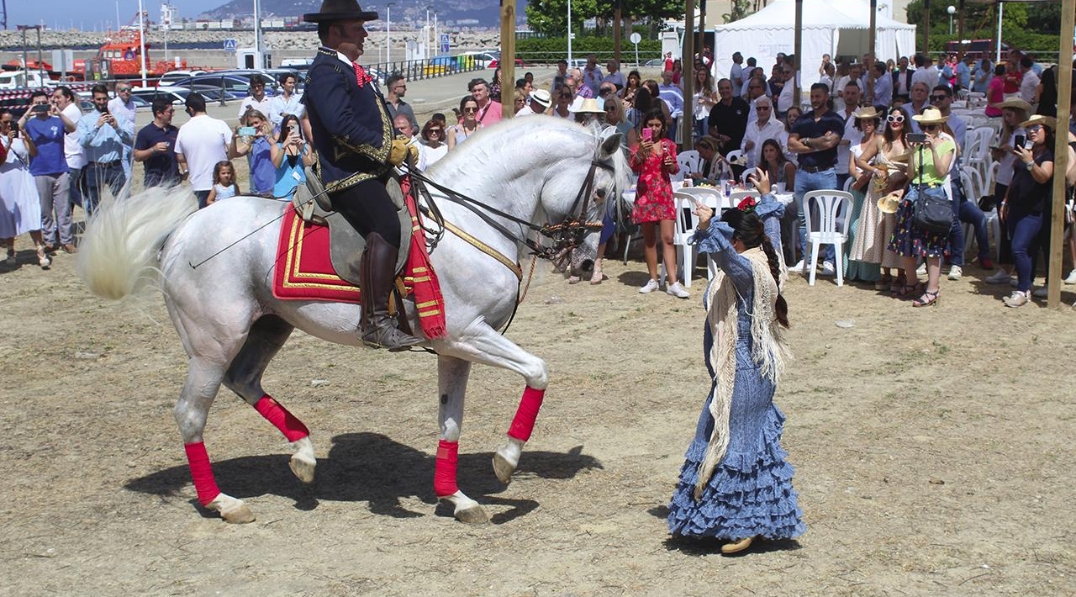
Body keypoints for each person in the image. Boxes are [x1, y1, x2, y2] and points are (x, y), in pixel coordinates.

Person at [666, 192, 802, 556]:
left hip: (746, 368)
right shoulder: (765, 254)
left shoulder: (748, 271)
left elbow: (724, 257)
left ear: (737, 241)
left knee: (738, 441)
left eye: (729, 236)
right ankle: (714, 517)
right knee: (715, 432)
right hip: (737, 367)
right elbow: (770, 222)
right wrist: (767, 196)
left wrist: (708, 227)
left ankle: (745, 524)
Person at [301, 0, 422, 350]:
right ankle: (374, 322)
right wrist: (387, 151)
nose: (365, 34)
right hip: (345, 174)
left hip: (368, 168)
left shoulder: (347, 69)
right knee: (385, 223)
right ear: (336, 32)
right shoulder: (326, 71)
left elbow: (373, 121)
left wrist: (400, 144)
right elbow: (341, 125)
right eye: (358, 29)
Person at [889, 107, 957, 307]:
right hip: (914, 194)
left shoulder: (947, 145)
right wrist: (911, 152)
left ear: (939, 127)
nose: (927, 130)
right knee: (907, 241)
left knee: (932, 245)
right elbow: (911, 173)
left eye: (931, 126)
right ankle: (912, 283)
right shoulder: (917, 147)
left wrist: (933, 148)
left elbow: (942, 171)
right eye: (923, 126)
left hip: (933, 194)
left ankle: (933, 289)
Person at [787, 83, 846, 275]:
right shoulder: (803, 120)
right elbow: (791, 145)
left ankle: (829, 260)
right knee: (803, 219)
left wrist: (805, 141)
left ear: (827, 96)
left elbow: (831, 142)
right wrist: (816, 143)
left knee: (828, 217)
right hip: (803, 172)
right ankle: (807, 259)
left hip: (825, 172)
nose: (814, 99)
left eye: (818, 96)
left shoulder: (834, 119)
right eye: (812, 96)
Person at [630, 109, 687, 298]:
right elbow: (634, 166)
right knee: (649, 240)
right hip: (646, 194)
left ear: (663, 127)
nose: (653, 128)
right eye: (650, 124)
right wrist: (641, 152)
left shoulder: (668, 145)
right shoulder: (638, 145)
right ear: (645, 126)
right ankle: (653, 279)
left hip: (663, 193)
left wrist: (670, 162)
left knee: (668, 238)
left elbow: (673, 169)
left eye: (657, 125)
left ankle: (673, 282)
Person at [1000, 115, 1055, 307]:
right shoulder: (1026, 151)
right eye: (1029, 128)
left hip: (1034, 210)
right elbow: (1015, 178)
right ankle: (1027, 283)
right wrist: (1005, 201)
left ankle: (1022, 291)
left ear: (1046, 131)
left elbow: (1044, 177)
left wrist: (1030, 162)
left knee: (1019, 248)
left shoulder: (1048, 155)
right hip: (1016, 206)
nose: (1032, 131)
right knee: (1027, 249)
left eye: (1036, 128)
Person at [21, 90, 77, 253]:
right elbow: (17, 127)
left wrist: (58, 111)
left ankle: (67, 240)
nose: (41, 106)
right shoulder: (30, 124)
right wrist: (29, 111)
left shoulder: (57, 121)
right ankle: (49, 240)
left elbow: (72, 127)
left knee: (64, 209)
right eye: (37, 103)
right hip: (39, 171)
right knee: (45, 210)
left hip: (60, 169)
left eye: (43, 102)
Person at [984, 98, 1032, 286]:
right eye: (1005, 115)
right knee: (1004, 226)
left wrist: (1011, 150)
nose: (1007, 118)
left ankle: (1017, 269)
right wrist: (999, 151)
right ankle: (1005, 267)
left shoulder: (1025, 134)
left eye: (1010, 115)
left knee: (1014, 226)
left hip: (1016, 182)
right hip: (1003, 180)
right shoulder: (1006, 132)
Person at [0, 109, 49, 269]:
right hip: (5, 178)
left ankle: (40, 249)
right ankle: (11, 250)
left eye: (10, 121)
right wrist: (8, 142)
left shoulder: (20, 136)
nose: (8, 125)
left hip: (23, 176)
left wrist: (26, 137)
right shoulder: (3, 139)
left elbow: (34, 153)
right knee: (8, 215)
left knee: (31, 211)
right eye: (5, 122)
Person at [77, 84, 132, 215]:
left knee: (123, 201)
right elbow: (83, 142)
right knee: (94, 204)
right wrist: (96, 126)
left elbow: (130, 139)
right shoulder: (86, 120)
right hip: (95, 166)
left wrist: (117, 127)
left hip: (115, 165)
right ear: (93, 100)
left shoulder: (118, 118)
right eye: (98, 99)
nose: (102, 102)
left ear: (108, 98)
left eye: (104, 99)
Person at [844, 106, 884, 283]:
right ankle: (854, 271)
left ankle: (869, 273)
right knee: (854, 229)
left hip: (874, 186)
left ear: (875, 123)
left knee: (871, 229)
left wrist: (868, 176)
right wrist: (860, 178)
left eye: (870, 121)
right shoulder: (855, 142)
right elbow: (851, 167)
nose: (867, 124)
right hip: (859, 187)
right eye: (864, 121)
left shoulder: (880, 140)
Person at [175, 92, 234, 209]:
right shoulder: (220, 124)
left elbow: (180, 156)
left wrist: (186, 169)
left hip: (199, 183)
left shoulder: (184, 129)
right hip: (222, 182)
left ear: (191, 109)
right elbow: (232, 151)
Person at [51, 86, 86, 215]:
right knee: (67, 196)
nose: (56, 100)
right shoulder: (70, 110)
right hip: (72, 158)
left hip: (72, 158)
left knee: (68, 193)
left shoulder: (70, 111)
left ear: (68, 97)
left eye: (58, 97)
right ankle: (63, 226)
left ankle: (94, 211)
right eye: (54, 97)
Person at [133, 98, 180, 187]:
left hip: (174, 182)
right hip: (154, 183)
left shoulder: (175, 131)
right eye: (170, 112)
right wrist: (153, 149)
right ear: (159, 113)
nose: (172, 114)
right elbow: (137, 156)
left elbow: (180, 154)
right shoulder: (145, 132)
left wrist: (185, 170)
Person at [270, 114, 316, 199]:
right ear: (283, 130)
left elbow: (308, 167)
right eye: (288, 128)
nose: (291, 131)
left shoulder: (306, 147)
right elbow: (276, 165)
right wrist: (284, 146)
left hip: (303, 192)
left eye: (294, 127)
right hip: (283, 192)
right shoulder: (276, 147)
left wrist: (301, 150)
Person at [230, 109, 275, 196]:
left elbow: (277, 148)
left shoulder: (274, 133)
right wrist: (233, 139)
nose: (254, 126)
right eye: (251, 124)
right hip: (260, 186)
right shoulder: (251, 142)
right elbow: (234, 154)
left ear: (263, 121)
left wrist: (265, 135)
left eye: (256, 122)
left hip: (275, 183)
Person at [267, 71, 307, 136]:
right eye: (290, 83)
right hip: (279, 130)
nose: (293, 85)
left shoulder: (299, 99)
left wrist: (282, 114)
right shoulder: (275, 100)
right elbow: (273, 117)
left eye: (294, 83)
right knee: (280, 145)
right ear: (283, 84)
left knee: (295, 143)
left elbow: (297, 115)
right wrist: (287, 119)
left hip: (295, 128)